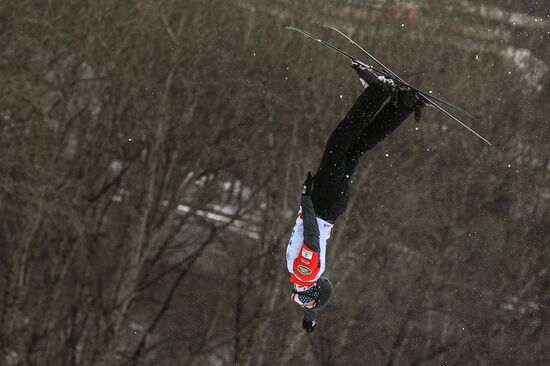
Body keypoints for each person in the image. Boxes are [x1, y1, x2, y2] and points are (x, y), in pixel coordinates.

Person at [285, 62, 425, 333]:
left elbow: (309, 301)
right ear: (311, 292)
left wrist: (309, 320)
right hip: (322, 204)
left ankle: (403, 105)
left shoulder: (306, 281)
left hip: (332, 206)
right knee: (339, 141)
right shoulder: (304, 275)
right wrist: (305, 199)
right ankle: (378, 90)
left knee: (356, 147)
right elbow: (311, 237)